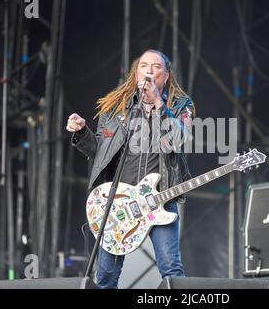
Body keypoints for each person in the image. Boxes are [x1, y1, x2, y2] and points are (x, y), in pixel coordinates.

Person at [66, 49, 195, 289]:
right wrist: (81, 132)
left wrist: (158, 102)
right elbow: (99, 152)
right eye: (144, 65)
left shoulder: (180, 105)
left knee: (171, 270)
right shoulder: (116, 106)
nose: (149, 70)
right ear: (136, 73)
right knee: (105, 277)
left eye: (156, 67)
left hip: (159, 198)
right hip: (118, 202)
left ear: (165, 76)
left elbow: (180, 140)